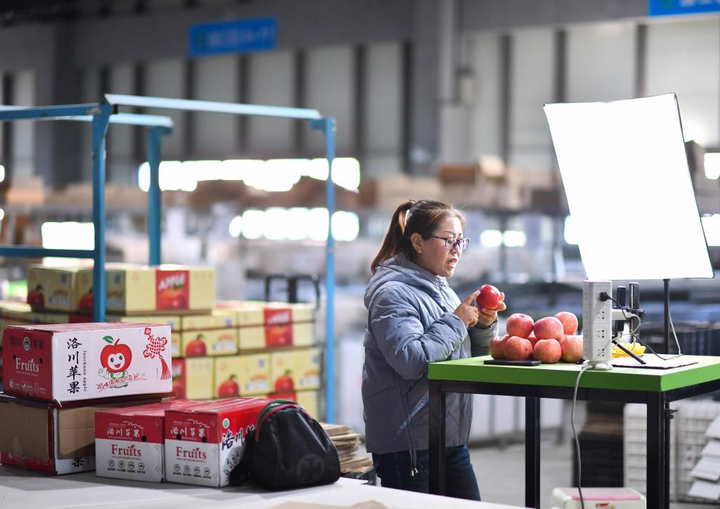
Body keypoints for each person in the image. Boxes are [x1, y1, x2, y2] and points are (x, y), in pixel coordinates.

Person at [362, 199, 505, 500]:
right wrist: (456, 322)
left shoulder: (442, 290)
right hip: (409, 447)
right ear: (417, 241)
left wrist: (482, 325)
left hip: (447, 438)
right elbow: (411, 360)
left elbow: (463, 356)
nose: (457, 249)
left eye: (460, 240)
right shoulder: (393, 294)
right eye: (448, 240)